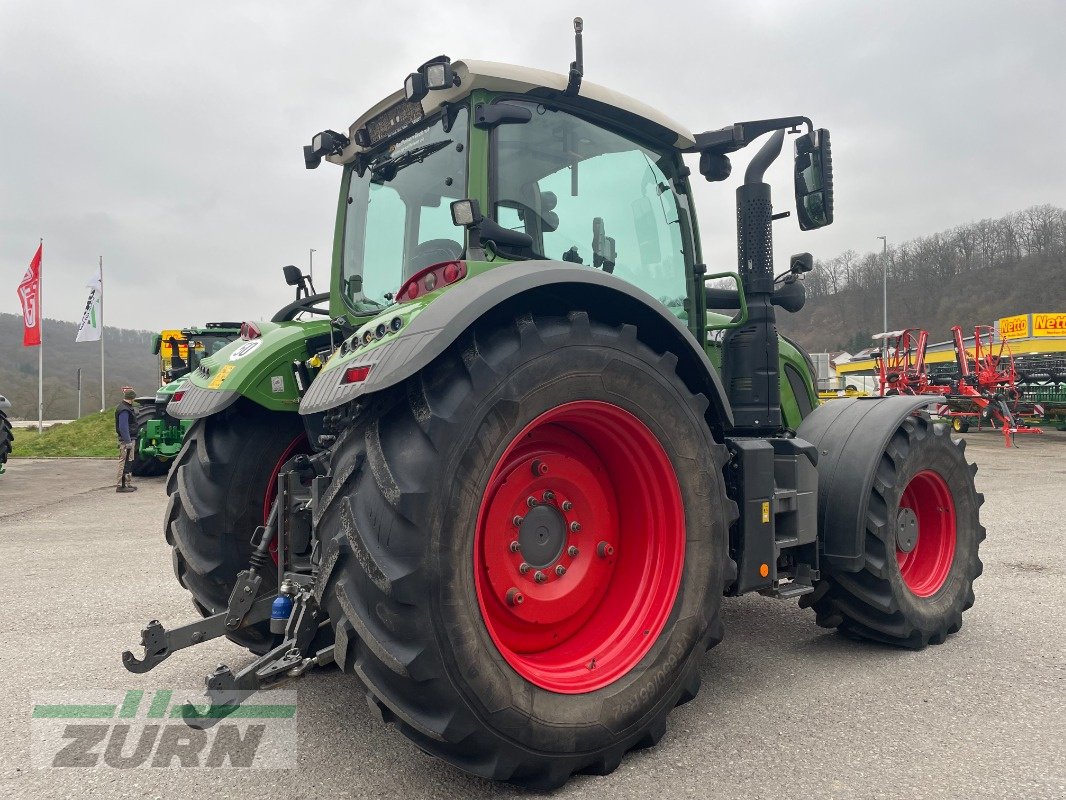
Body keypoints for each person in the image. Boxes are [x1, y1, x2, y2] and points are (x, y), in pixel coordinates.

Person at [116, 387, 138, 493]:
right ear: (131, 398)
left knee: (129, 462)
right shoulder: (124, 410)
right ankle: (121, 485)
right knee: (124, 462)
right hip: (126, 441)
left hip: (130, 438)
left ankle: (127, 483)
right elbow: (123, 427)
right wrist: (128, 441)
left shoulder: (126, 408)